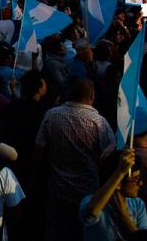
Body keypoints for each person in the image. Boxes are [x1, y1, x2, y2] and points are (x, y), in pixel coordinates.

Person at [34, 76, 115, 241]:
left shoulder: (51, 115)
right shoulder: (99, 123)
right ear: (92, 97)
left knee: (55, 232)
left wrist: (33, 178)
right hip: (88, 193)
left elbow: (38, 149)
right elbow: (109, 157)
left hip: (57, 189)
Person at [79, 149, 147, 241]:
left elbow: (144, 238)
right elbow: (91, 212)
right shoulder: (91, 201)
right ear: (119, 183)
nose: (141, 184)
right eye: (136, 180)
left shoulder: (138, 204)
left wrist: (123, 214)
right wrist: (120, 172)